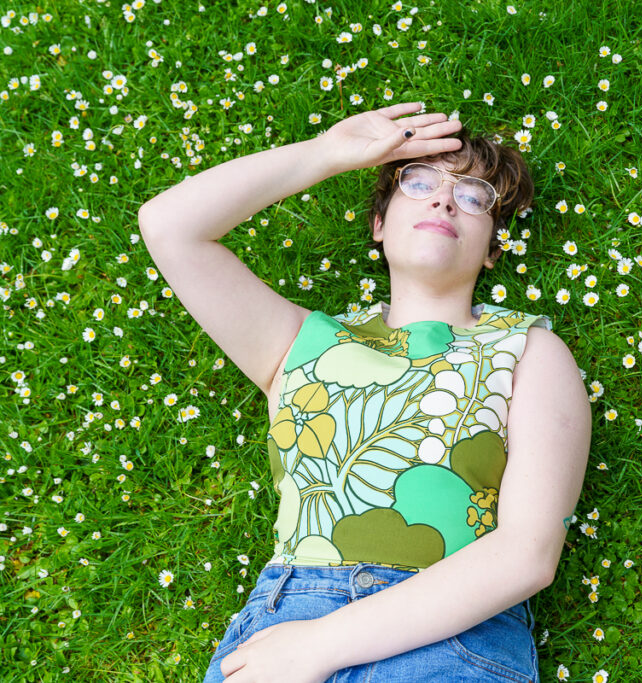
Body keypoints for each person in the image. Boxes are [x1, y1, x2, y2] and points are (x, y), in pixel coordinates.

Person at [138, 101, 591, 682]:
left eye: (474, 195)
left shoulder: (527, 349)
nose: (444, 199)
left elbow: (527, 555)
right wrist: (327, 153)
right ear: (378, 224)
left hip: (448, 639)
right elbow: (170, 227)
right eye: (418, 181)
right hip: (283, 623)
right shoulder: (298, 343)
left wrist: (318, 647)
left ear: (493, 248)